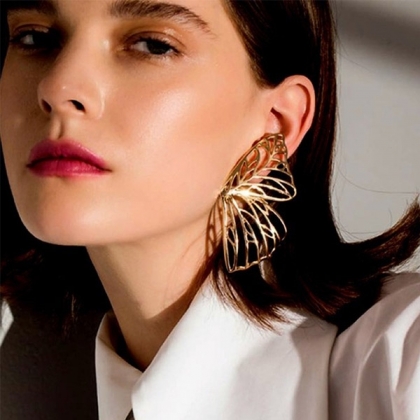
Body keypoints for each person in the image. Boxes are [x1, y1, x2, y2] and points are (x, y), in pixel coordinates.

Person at [1, 0, 419, 419]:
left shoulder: (404, 358)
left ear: (277, 122)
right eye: (34, 37)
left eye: (153, 45)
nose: (57, 87)